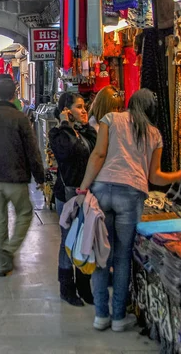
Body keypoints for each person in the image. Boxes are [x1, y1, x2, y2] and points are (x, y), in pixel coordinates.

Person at [80, 88, 181, 332]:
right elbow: (154, 177)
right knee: (123, 256)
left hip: (103, 190)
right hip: (132, 194)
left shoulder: (110, 119)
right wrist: (178, 174)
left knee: (101, 253)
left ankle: (100, 316)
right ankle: (118, 319)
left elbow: (99, 154)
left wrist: (84, 187)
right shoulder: (154, 134)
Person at [0, 79, 45, 276]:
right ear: (14, 95)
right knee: (25, 213)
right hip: (16, 177)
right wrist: (40, 176)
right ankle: (11, 247)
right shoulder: (20, 118)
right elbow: (32, 150)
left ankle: (3, 266)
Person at [49, 93, 97, 307]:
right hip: (68, 195)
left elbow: (96, 150)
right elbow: (67, 151)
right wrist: (66, 124)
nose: (84, 110)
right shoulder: (58, 134)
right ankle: (66, 287)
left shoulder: (85, 132)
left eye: (84, 105)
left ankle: (85, 286)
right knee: (68, 241)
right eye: (79, 107)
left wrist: (84, 126)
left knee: (86, 239)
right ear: (67, 111)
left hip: (87, 194)